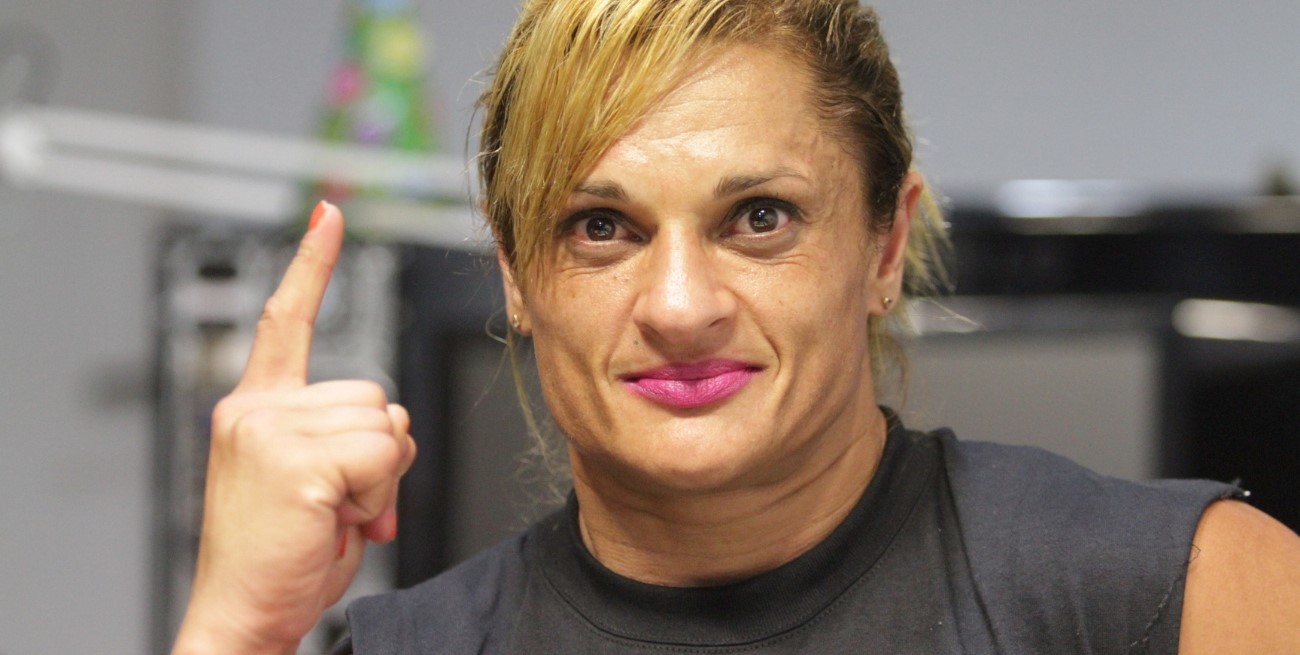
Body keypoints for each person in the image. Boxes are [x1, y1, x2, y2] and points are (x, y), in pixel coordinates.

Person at [171, 1, 1300, 653]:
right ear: (515, 275)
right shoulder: (412, 649)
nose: (679, 305)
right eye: (601, 226)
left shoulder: (1170, 592)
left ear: (884, 246)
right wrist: (233, 629)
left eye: (760, 217)